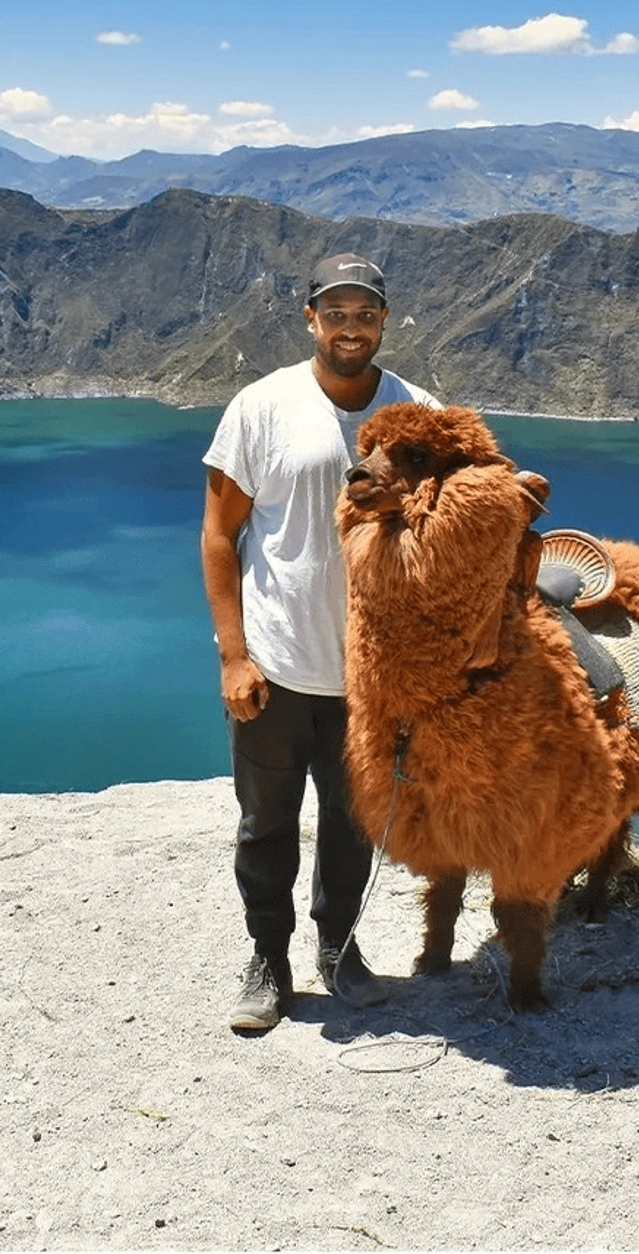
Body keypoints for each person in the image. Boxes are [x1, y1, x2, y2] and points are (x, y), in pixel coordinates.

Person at [200, 252, 441, 1033]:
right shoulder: (262, 407)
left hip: (372, 677)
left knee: (353, 822)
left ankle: (339, 949)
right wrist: (234, 655)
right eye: (335, 313)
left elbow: (450, 533)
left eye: (364, 313)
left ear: (384, 320)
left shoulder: (418, 413)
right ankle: (268, 960)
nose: (350, 328)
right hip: (276, 665)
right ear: (310, 319)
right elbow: (219, 534)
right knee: (265, 824)